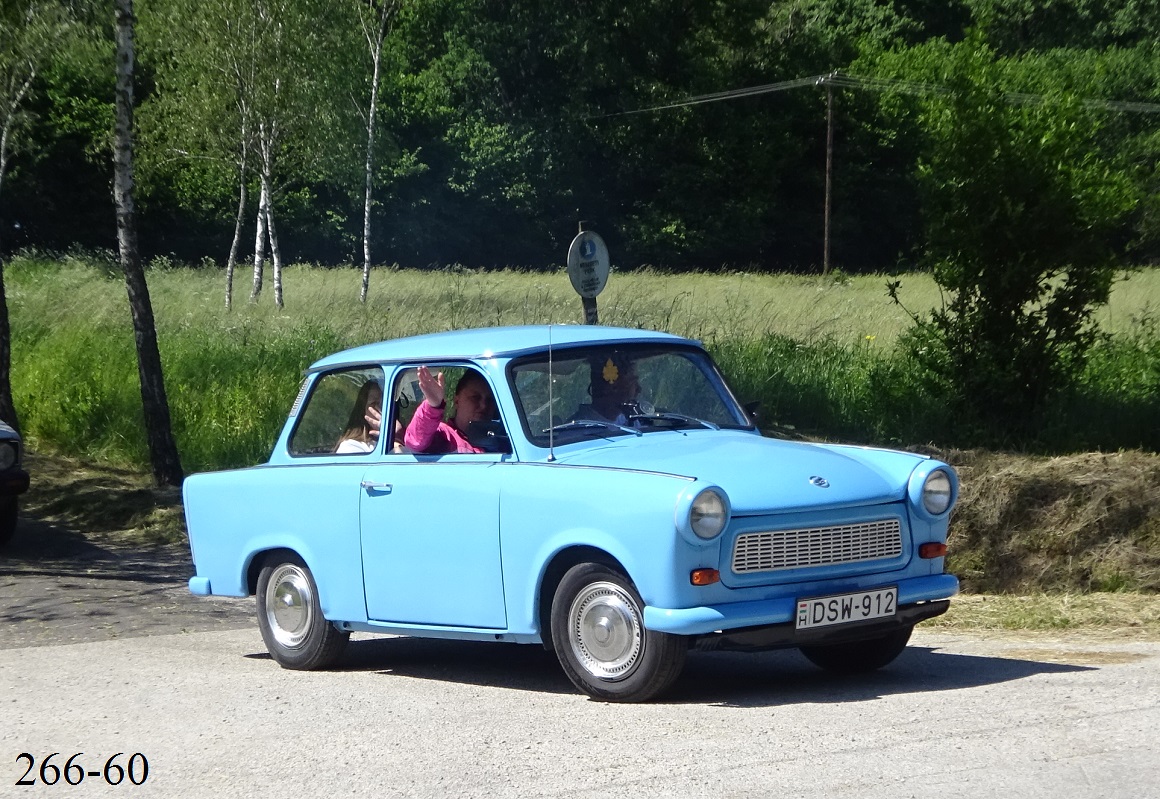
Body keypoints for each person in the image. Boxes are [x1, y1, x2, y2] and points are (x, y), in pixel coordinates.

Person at [404, 366, 496, 454]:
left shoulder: (502, 438)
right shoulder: (444, 435)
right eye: (475, 398)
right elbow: (415, 442)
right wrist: (433, 405)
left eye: (490, 400)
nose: (484, 405)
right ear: (456, 401)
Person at [336, 380, 404, 454]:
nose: (382, 409)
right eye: (374, 403)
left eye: (384, 403)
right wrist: (394, 438)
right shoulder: (351, 447)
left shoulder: (401, 437)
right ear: (362, 409)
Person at [573, 355, 640, 425]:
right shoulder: (577, 431)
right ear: (613, 387)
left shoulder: (631, 422)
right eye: (632, 382)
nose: (638, 389)